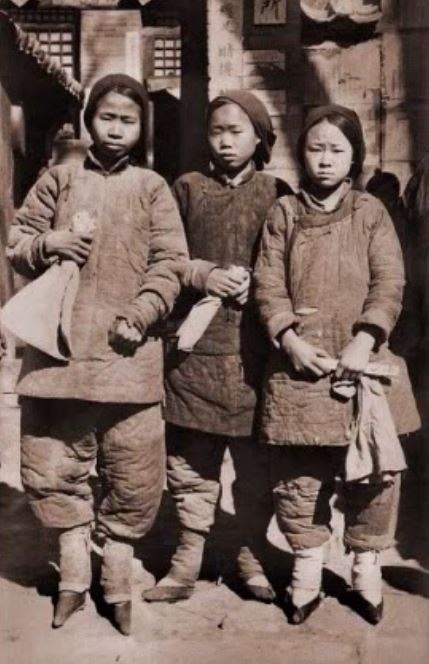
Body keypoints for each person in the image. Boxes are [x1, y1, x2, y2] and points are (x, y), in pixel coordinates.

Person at [6, 74, 188, 635]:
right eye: (106, 117)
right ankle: (72, 575)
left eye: (128, 120)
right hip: (58, 356)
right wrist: (49, 244)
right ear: (89, 121)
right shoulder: (58, 179)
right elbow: (17, 242)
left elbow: (170, 262)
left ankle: (117, 577)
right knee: (50, 463)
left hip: (128, 355)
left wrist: (143, 311)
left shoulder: (152, 188)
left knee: (134, 469)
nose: (115, 129)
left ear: (141, 129)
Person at [254, 104, 420, 625]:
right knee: (299, 476)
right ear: (301, 154)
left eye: (337, 150)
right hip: (300, 366)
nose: (325, 160)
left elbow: (389, 282)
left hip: (362, 363)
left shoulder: (371, 212)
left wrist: (365, 340)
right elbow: (267, 283)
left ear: (354, 157)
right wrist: (288, 339)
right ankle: (306, 569)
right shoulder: (283, 213)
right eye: (315, 148)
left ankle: (365, 567)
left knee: (374, 474)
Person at [143, 91, 291, 604]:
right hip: (194, 352)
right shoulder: (185, 189)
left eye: (237, 131)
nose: (225, 141)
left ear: (260, 138)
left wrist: (261, 285)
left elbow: (293, 261)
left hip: (255, 353)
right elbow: (162, 257)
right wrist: (201, 274)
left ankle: (250, 552)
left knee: (255, 467)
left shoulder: (277, 193)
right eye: (216, 131)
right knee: (190, 463)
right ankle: (186, 560)